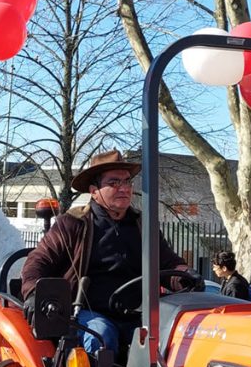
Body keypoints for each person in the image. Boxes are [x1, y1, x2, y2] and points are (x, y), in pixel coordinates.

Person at [21, 150, 191, 354]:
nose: (124, 188)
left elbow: (167, 263)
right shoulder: (73, 224)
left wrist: (185, 275)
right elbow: (38, 261)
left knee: (177, 337)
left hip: (137, 314)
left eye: (127, 182)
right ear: (94, 191)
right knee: (102, 335)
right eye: (114, 183)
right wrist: (33, 293)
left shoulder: (143, 226)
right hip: (88, 312)